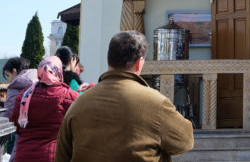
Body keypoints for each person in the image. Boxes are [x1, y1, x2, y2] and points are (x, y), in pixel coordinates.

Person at [55, 31, 193, 161]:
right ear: (139, 63)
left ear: (109, 59)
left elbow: (61, 156)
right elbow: (185, 141)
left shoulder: (79, 103)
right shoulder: (157, 104)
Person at [11, 56, 78, 162]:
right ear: (59, 72)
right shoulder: (70, 96)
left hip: (24, 155)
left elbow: (18, 127)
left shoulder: (23, 96)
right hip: (52, 155)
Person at [2, 57, 38, 162]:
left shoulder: (15, 87)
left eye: (8, 75)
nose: (9, 80)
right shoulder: (39, 81)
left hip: (23, 139)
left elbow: (7, 116)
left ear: (14, 71)